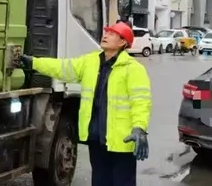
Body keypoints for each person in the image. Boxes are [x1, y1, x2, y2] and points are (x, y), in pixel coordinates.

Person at [16, 20, 152, 186]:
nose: (105, 35)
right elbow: (62, 67)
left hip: (121, 141)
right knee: (99, 182)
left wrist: (139, 128)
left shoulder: (134, 69)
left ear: (123, 42)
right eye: (106, 32)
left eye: (112, 34)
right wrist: (34, 63)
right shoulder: (91, 62)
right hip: (96, 139)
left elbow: (141, 101)